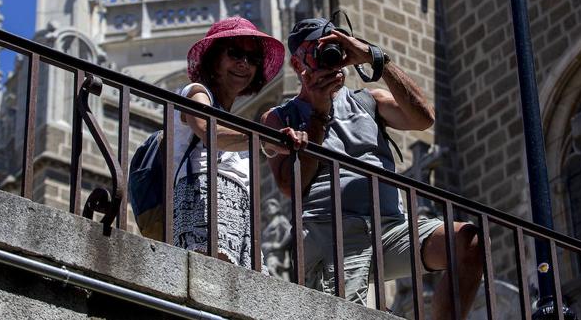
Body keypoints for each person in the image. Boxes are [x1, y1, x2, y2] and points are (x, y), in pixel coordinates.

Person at [261, 17, 482, 318]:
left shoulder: (370, 101)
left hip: (390, 226)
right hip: (333, 233)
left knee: (468, 242)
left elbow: (424, 118)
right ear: (297, 64)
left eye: (334, 47)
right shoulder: (280, 117)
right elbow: (291, 186)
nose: (329, 57)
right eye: (317, 51)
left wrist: (374, 57)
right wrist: (318, 113)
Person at [172, 16, 303, 266]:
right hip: (204, 194)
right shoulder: (196, 93)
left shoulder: (229, 114)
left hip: (239, 207)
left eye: (252, 59)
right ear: (214, 59)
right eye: (235, 54)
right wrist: (264, 139)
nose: (244, 64)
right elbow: (209, 132)